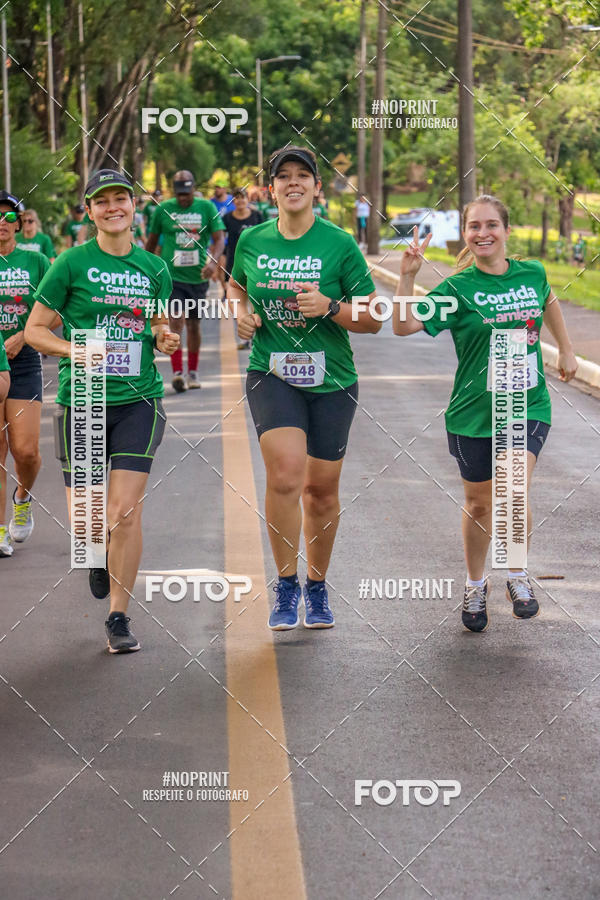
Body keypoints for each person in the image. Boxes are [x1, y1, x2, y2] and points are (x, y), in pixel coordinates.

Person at [392, 195, 578, 633]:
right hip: (472, 412)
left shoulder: (531, 273)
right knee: (479, 503)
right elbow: (402, 326)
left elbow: (548, 300)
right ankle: (476, 583)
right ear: (466, 234)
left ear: (506, 231)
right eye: (474, 226)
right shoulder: (457, 289)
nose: (483, 233)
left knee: (513, 487)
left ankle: (516, 574)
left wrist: (566, 348)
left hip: (526, 402)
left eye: (491, 224)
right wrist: (406, 278)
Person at [26, 168, 180, 653]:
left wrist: (164, 337)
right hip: (85, 399)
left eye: (122, 199)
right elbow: (35, 330)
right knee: (88, 524)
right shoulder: (71, 263)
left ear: (135, 207)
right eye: (102, 201)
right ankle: (93, 553)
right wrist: (75, 350)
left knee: (125, 513)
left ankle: (118, 615)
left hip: (139, 399)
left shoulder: (154, 268)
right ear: (89, 211)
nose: (114, 207)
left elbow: (157, 323)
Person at [228, 146, 381, 630]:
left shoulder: (339, 244)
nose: (293, 183)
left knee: (320, 492)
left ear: (317, 187)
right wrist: (241, 313)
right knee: (286, 475)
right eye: (283, 176)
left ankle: (317, 586)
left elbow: (374, 317)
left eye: (303, 176)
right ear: (270, 188)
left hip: (333, 379)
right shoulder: (251, 239)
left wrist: (331, 308)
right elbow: (235, 286)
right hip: (271, 373)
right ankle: (287, 583)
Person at [0, 191, 53, 558]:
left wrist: (24, 334)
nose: (1, 224)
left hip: (23, 360)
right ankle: (0, 530)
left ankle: (23, 497)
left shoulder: (35, 261)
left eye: (7, 216)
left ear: (19, 223)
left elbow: (56, 310)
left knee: (26, 451)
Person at [146, 171, 225, 391]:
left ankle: (192, 371)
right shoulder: (163, 210)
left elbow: (219, 240)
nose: (183, 198)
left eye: (187, 193)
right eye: (179, 194)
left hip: (198, 278)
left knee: (193, 325)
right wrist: (145, 271)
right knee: (176, 320)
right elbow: (151, 244)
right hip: (172, 277)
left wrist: (213, 263)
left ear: (194, 189)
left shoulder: (206, 208)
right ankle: (177, 372)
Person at [222, 188, 263, 350]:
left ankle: (257, 336)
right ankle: (245, 337)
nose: (240, 202)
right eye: (236, 199)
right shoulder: (227, 218)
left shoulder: (257, 216)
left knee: (255, 300)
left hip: (256, 262)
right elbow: (223, 242)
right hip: (234, 262)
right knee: (238, 301)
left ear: (248, 199)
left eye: (243, 198)